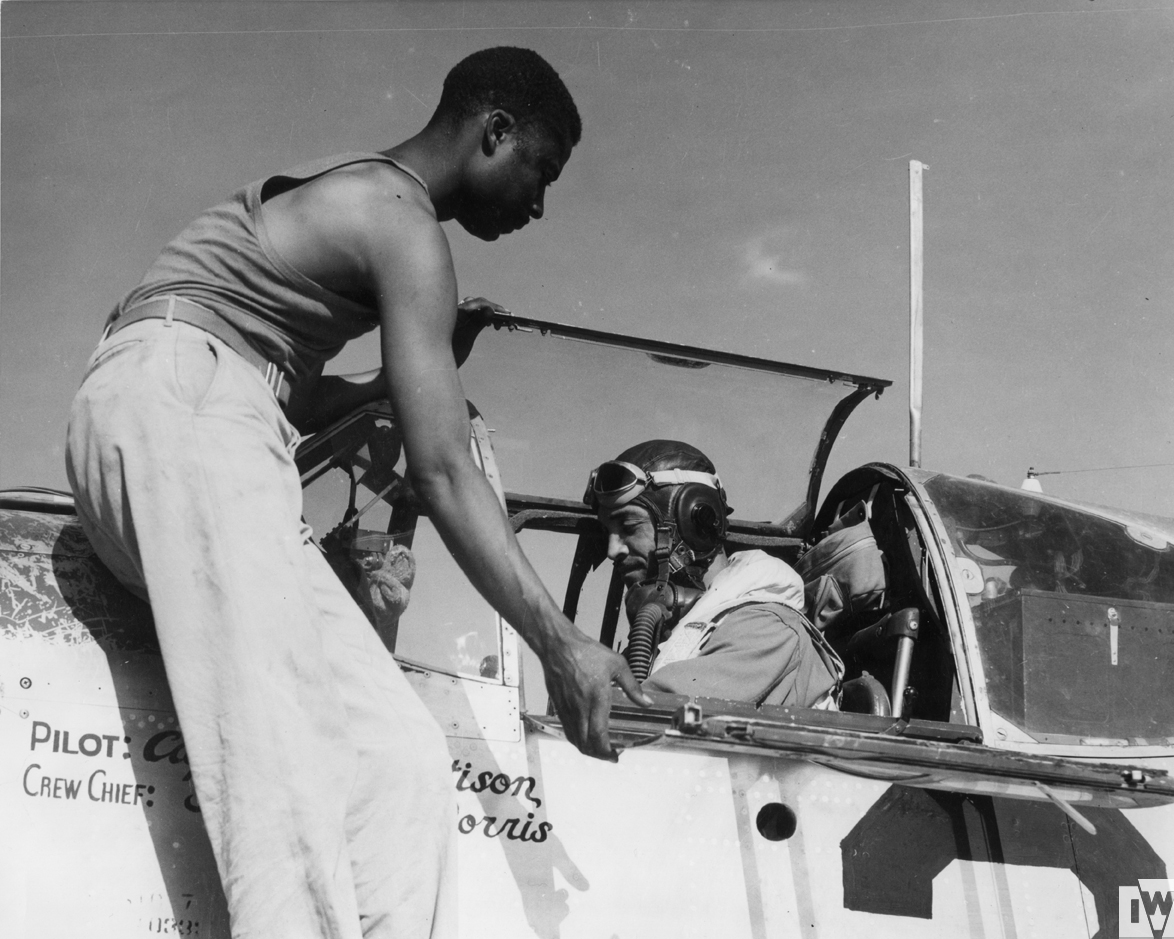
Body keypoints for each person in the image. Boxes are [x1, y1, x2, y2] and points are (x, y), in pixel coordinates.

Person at [64, 47, 648, 939]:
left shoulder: (354, 210)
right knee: (284, 758)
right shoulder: (401, 220)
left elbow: (285, 392)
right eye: (542, 171)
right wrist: (562, 646)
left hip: (188, 408)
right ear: (495, 131)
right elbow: (442, 471)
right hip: (184, 411)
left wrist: (387, 381)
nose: (538, 204)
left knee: (396, 758)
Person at [585, 440, 843, 708]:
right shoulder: (669, 634)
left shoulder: (766, 628)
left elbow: (649, 714)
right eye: (607, 534)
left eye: (628, 527)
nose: (612, 550)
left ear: (690, 523)